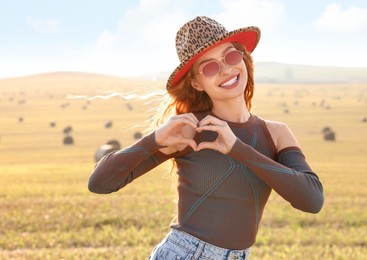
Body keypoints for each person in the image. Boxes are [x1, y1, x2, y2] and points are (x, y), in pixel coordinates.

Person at [88, 16, 324, 260]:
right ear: (196, 83)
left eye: (231, 56)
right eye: (209, 67)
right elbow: (100, 183)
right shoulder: (191, 131)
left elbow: (312, 200)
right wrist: (153, 140)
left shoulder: (276, 133)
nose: (226, 70)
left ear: (243, 58)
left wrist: (237, 148)